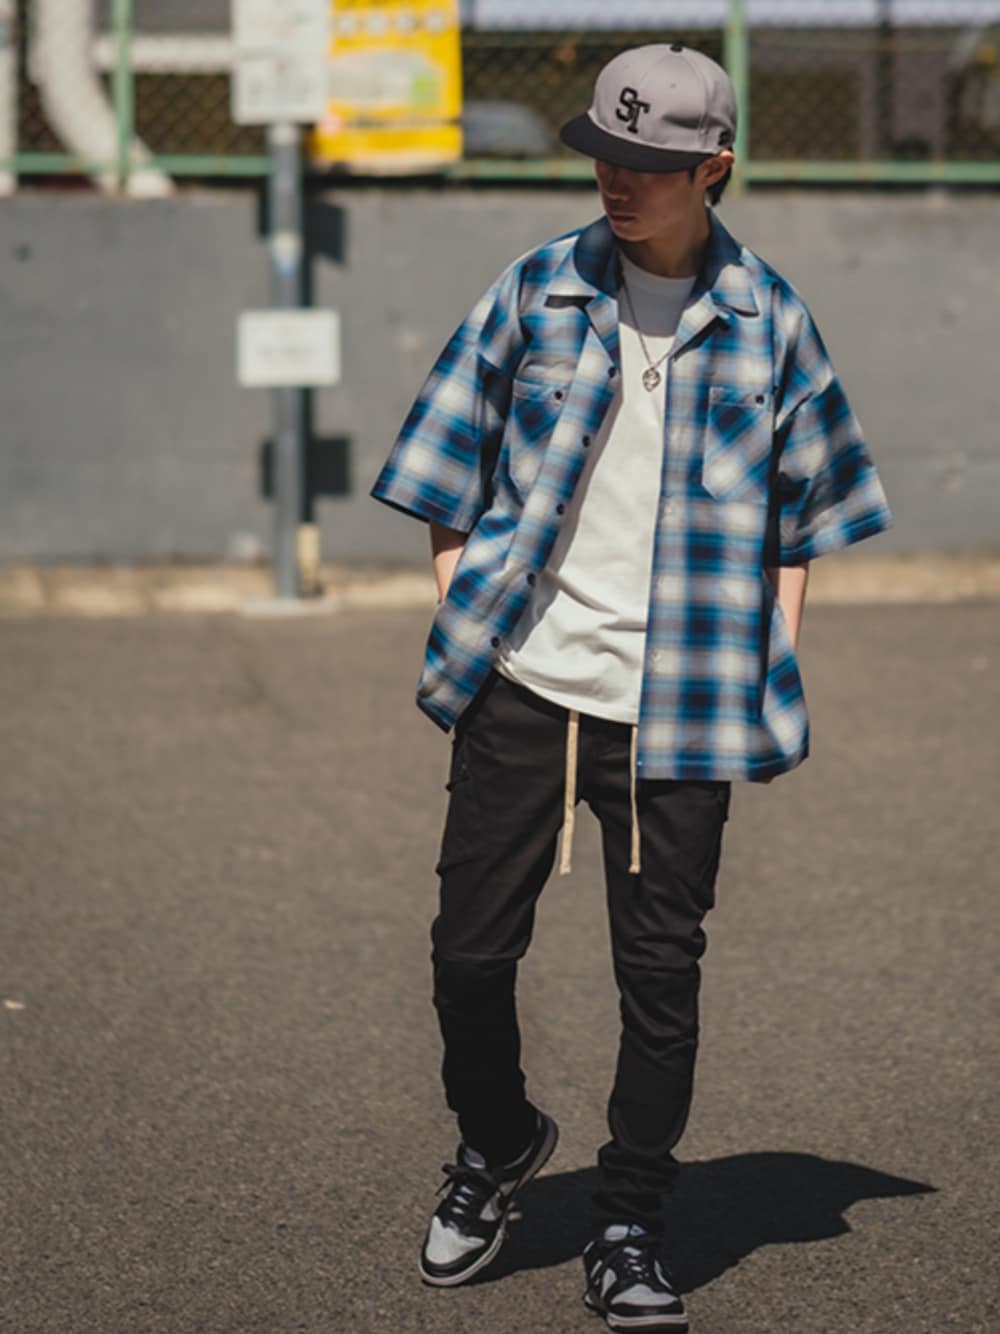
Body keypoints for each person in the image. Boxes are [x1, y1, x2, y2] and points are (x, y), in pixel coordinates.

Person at [371, 42, 892, 1334]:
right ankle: (498, 1141)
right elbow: (444, 456)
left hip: (684, 705)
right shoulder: (538, 287)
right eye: (604, 152)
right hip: (527, 686)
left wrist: (770, 648)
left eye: (648, 163)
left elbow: (808, 511)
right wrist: (462, 604)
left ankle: (630, 1218)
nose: (617, 179)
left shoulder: (772, 320)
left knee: (660, 978)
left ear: (714, 167)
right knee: (466, 956)